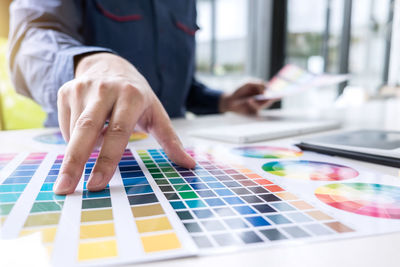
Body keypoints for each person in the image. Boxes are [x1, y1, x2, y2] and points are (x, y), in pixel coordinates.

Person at [8, 0, 274, 194]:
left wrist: (223, 101)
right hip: (82, 152)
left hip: (169, 158)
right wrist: (91, 63)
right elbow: (29, 39)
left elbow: (177, 84)